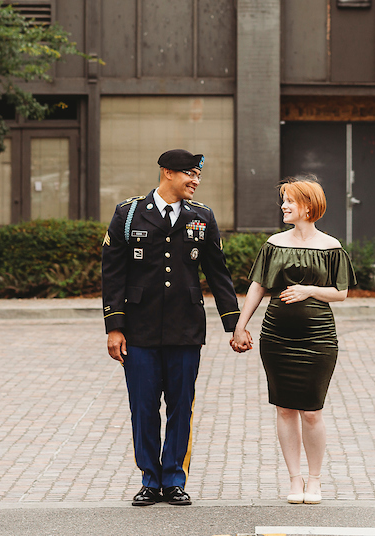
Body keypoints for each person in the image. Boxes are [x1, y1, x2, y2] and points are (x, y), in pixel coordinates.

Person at [101, 148, 244, 507]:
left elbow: (217, 273)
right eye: (189, 174)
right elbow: (113, 273)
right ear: (167, 172)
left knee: (181, 407)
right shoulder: (129, 213)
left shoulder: (202, 217)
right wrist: (114, 327)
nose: (195, 181)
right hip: (140, 330)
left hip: (185, 330)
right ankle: (150, 479)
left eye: (197, 175)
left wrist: (234, 324)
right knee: (144, 407)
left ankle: (174, 479)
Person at [232, 178, 355, 505]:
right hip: (277, 336)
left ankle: (315, 480)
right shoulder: (274, 243)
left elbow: (341, 292)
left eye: (290, 201)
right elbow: (258, 287)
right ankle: (295, 479)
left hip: (317, 337)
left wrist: (309, 290)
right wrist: (240, 326)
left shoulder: (331, 246)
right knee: (285, 408)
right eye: (284, 200)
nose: (284, 206)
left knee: (312, 411)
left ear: (309, 206)